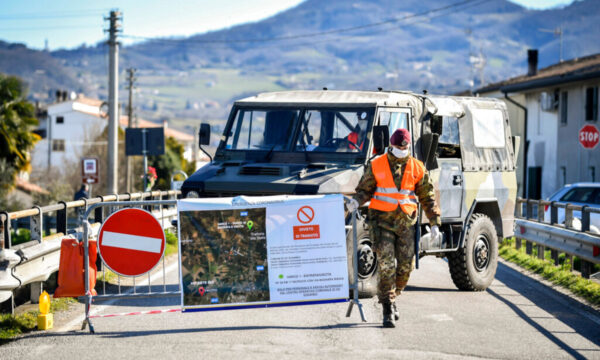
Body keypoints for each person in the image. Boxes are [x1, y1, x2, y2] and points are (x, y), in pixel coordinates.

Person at [346, 128, 441, 328]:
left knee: (405, 267)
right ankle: (387, 308)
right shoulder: (377, 164)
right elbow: (365, 189)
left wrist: (434, 223)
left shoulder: (417, 167)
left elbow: (427, 197)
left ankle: (393, 296)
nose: (401, 150)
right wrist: (356, 202)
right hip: (381, 223)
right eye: (398, 147)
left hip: (406, 223)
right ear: (391, 145)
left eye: (404, 147)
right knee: (386, 265)